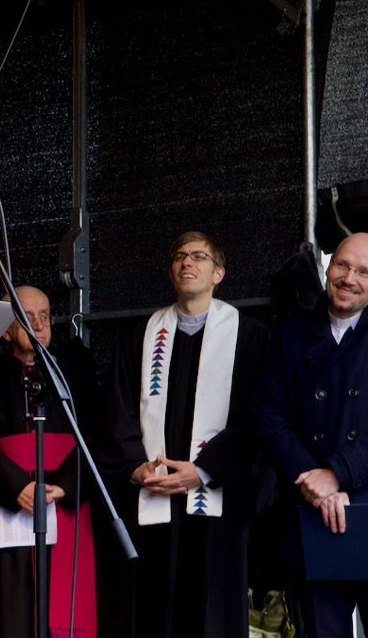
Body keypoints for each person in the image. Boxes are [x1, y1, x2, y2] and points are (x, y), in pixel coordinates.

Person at [255, 232, 368, 638]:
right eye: (342, 265)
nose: (349, 277)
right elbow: (270, 419)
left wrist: (338, 472)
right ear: (328, 266)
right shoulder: (287, 336)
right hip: (310, 510)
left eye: (363, 271)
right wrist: (313, 480)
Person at [103, 231, 267, 638]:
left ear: (219, 273)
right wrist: (134, 467)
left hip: (217, 505)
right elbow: (118, 410)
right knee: (151, 612)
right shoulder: (138, 338)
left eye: (198, 256)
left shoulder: (251, 337)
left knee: (212, 612)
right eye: (179, 256)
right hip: (152, 500)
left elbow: (259, 419)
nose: (187, 263)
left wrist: (205, 470)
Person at [0, 286, 99, 638]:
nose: (38, 325)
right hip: (9, 503)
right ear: (6, 331)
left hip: (64, 499)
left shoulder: (76, 365)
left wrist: (67, 484)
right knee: (11, 609)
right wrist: (17, 486)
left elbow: (97, 434)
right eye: (26, 318)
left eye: (44, 316)